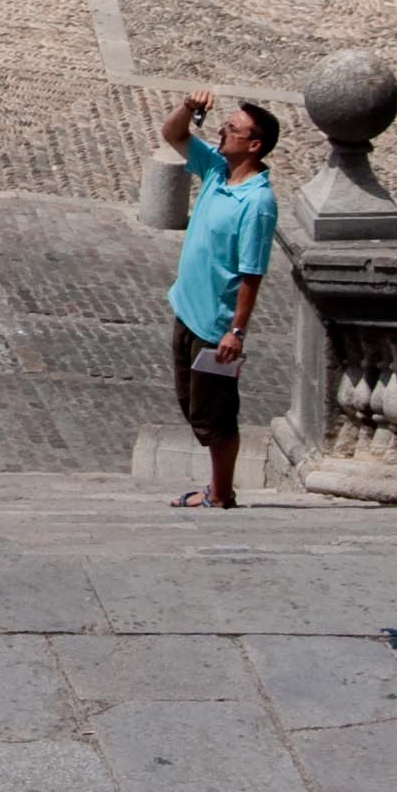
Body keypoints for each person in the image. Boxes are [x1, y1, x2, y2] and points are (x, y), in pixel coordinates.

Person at [159, 87, 280, 509]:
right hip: (188, 311)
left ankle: (221, 493)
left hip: (216, 326)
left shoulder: (257, 202)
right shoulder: (216, 170)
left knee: (216, 415)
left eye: (233, 129)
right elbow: (172, 134)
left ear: (255, 144)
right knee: (192, 406)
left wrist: (236, 331)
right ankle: (217, 488)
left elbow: (251, 274)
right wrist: (189, 107)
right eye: (225, 125)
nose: (223, 132)